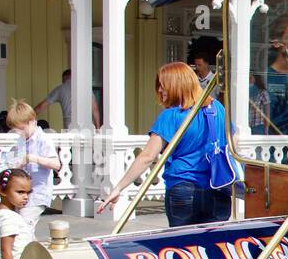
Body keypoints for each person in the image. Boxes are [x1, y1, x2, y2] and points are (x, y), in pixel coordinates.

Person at [97, 62, 231, 227]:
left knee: (182, 248)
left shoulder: (171, 116)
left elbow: (147, 157)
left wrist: (118, 188)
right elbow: (232, 141)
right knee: (212, 247)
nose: (159, 90)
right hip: (218, 187)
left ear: (177, 85)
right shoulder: (217, 108)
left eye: (163, 85)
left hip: (183, 188)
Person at [0, 100, 60, 228]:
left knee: (23, 226)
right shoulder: (21, 140)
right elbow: (13, 161)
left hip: (37, 192)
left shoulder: (43, 140)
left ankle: (25, 247)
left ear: (32, 122)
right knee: (20, 226)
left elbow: (56, 164)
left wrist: (33, 158)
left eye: (22, 129)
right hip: (21, 192)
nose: (19, 133)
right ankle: (31, 247)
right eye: (16, 130)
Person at [35, 69, 102, 130]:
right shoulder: (86, 88)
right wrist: (98, 128)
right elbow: (95, 109)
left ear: (64, 78)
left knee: (71, 142)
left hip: (70, 124)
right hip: (88, 124)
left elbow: (42, 106)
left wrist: (28, 116)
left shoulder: (60, 88)